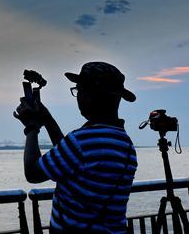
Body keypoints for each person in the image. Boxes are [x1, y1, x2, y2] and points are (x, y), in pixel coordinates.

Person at [14, 62, 138, 234]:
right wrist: (47, 119)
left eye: (79, 90)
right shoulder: (125, 143)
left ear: (92, 95)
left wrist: (31, 129)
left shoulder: (82, 141)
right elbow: (71, 160)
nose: (78, 96)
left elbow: (33, 173)